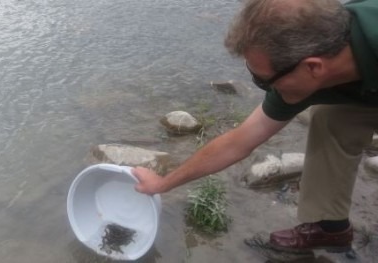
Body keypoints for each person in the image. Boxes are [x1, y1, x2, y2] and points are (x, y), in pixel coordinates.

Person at [132, 0, 378, 252]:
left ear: (313, 67)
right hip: (358, 88)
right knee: (330, 117)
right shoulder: (320, 52)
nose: (266, 89)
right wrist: (162, 184)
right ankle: (330, 229)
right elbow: (239, 141)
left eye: (264, 81)